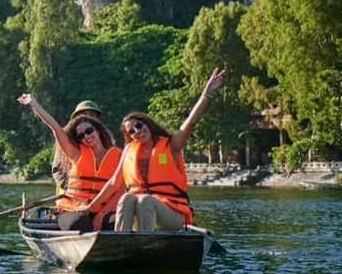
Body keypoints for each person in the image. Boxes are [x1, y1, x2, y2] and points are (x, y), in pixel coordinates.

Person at [80, 68, 227, 232]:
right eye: (131, 131)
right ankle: (121, 244)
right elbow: (113, 183)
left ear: (147, 124)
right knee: (127, 197)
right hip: (142, 211)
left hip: (172, 214)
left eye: (139, 125)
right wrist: (90, 207)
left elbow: (191, 122)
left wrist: (206, 95)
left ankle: (146, 246)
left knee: (145, 201)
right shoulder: (129, 150)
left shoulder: (172, 145)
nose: (137, 131)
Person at [18, 94, 121, 231]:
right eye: (81, 135)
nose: (86, 136)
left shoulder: (118, 155)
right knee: (80, 223)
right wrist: (34, 104)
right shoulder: (76, 153)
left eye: (89, 131)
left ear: (98, 129)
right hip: (72, 208)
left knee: (115, 224)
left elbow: (120, 190)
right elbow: (54, 127)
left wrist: (101, 215)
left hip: (102, 208)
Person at [52, 100, 104, 192]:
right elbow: (57, 170)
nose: (87, 118)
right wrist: (73, 188)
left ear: (97, 118)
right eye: (83, 115)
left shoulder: (104, 138)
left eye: (91, 115)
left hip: (97, 192)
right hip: (69, 192)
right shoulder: (66, 138)